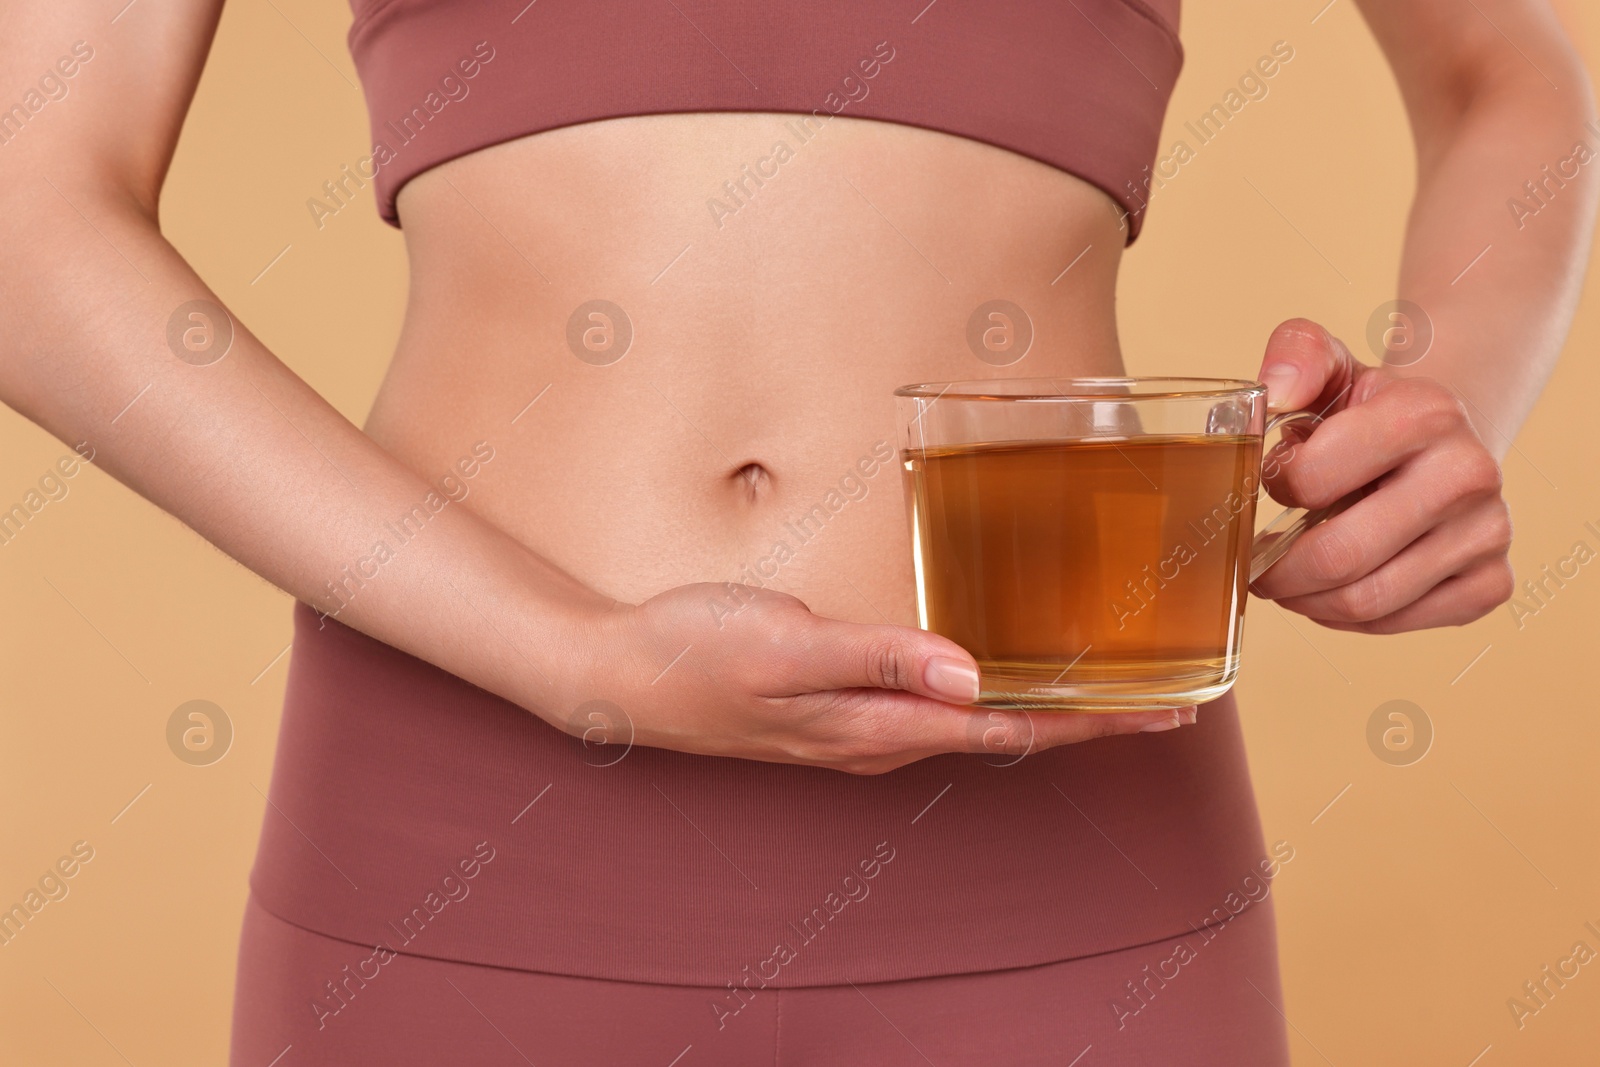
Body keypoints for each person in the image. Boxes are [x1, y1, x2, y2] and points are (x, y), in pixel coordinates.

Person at [0, 0, 1592, 1063]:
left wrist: (1429, 414)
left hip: (1069, 867)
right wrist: (572, 658)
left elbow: (1503, 69)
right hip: (453, 857)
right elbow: (25, 203)